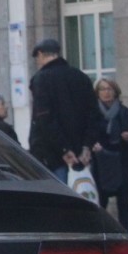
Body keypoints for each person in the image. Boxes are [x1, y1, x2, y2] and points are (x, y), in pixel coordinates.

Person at [28, 37, 99, 180]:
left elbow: (44, 118)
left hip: (53, 155)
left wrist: (64, 149)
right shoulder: (80, 76)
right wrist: (87, 146)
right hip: (81, 153)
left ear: (41, 54)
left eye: (37, 57)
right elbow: (93, 114)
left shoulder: (41, 79)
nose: (37, 61)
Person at [90, 78, 128, 232]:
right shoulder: (94, 112)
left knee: (123, 200)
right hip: (101, 159)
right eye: (102, 89)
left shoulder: (123, 111)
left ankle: (124, 233)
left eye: (109, 89)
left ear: (115, 92)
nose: (106, 92)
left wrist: (127, 137)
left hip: (120, 158)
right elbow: (90, 133)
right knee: (101, 199)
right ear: (97, 93)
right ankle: (101, 233)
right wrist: (93, 144)